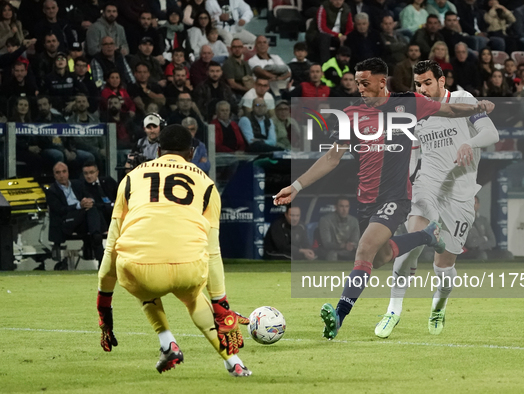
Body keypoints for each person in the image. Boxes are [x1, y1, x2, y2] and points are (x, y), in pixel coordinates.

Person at [273, 57, 495, 340]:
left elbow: (449, 109)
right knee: (379, 258)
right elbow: (332, 158)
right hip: (366, 200)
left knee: (363, 250)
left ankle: (339, 316)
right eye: (357, 83)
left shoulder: (409, 104)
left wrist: (478, 107)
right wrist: (297, 186)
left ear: (382, 81)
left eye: (365, 83)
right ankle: (427, 236)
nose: (360, 89)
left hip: (396, 197)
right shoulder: (351, 114)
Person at [95, 124, 252, 376]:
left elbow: (112, 245)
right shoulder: (208, 185)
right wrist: (220, 305)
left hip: (139, 269)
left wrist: (104, 304)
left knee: (140, 273)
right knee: (193, 297)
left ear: (158, 150)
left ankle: (167, 342)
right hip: (188, 267)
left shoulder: (131, 178)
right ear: (191, 153)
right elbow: (213, 252)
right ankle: (234, 362)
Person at [374, 60, 499, 338]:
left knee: (444, 266)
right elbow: (414, 156)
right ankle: (392, 311)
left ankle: (438, 306)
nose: (423, 89)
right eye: (418, 84)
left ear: (442, 81)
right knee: (410, 248)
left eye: (428, 82)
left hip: (461, 195)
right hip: (427, 188)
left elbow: (492, 133)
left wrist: (470, 142)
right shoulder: (417, 112)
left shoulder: (464, 100)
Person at [46, 161, 105, 270]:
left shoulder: (78, 184)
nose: (61, 175)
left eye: (64, 171)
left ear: (68, 172)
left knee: (92, 209)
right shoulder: (51, 191)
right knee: (90, 212)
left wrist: (89, 201)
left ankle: (96, 236)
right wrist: (79, 205)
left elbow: (89, 196)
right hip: (67, 221)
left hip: (82, 220)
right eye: (58, 173)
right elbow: (59, 210)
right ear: (54, 175)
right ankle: (98, 240)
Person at [317, 197, 360, 261]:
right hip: (330, 251)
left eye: (346, 206)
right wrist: (344, 246)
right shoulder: (325, 220)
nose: (344, 209)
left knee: (361, 253)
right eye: (341, 206)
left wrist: (352, 245)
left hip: (348, 251)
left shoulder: (354, 221)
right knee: (332, 254)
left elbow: (355, 241)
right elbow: (326, 243)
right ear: (335, 207)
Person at [459, 195, 498, 260]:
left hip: (485, 250)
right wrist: (484, 238)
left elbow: (493, 241)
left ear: (478, 205)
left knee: (507, 254)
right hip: (470, 253)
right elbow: (470, 243)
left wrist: (480, 246)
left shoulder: (483, 220)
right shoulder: (462, 221)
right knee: (482, 255)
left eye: (475, 202)